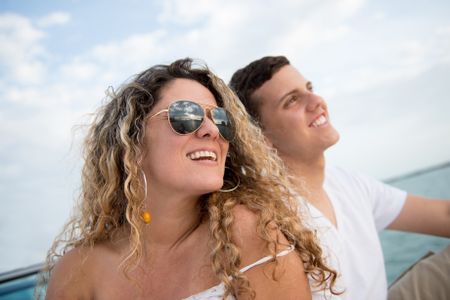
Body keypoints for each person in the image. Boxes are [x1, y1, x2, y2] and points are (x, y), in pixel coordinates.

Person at [42, 58, 338, 300]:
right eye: (187, 116)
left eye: (220, 119)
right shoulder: (78, 271)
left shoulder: (250, 232)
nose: (212, 130)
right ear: (133, 145)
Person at [229, 55, 450, 300]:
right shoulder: (263, 220)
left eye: (310, 89)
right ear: (261, 138)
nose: (316, 101)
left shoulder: (348, 182)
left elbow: (443, 215)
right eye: (292, 100)